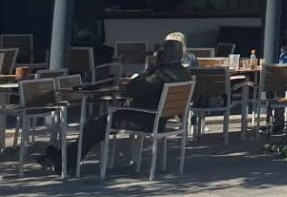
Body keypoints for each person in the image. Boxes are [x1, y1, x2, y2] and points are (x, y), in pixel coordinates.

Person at [34, 37, 194, 175]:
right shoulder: (184, 74)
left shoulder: (160, 75)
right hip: (160, 119)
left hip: (144, 118)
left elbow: (132, 90)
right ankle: (65, 157)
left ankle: (65, 161)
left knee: (95, 124)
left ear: (163, 55)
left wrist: (148, 71)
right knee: (100, 123)